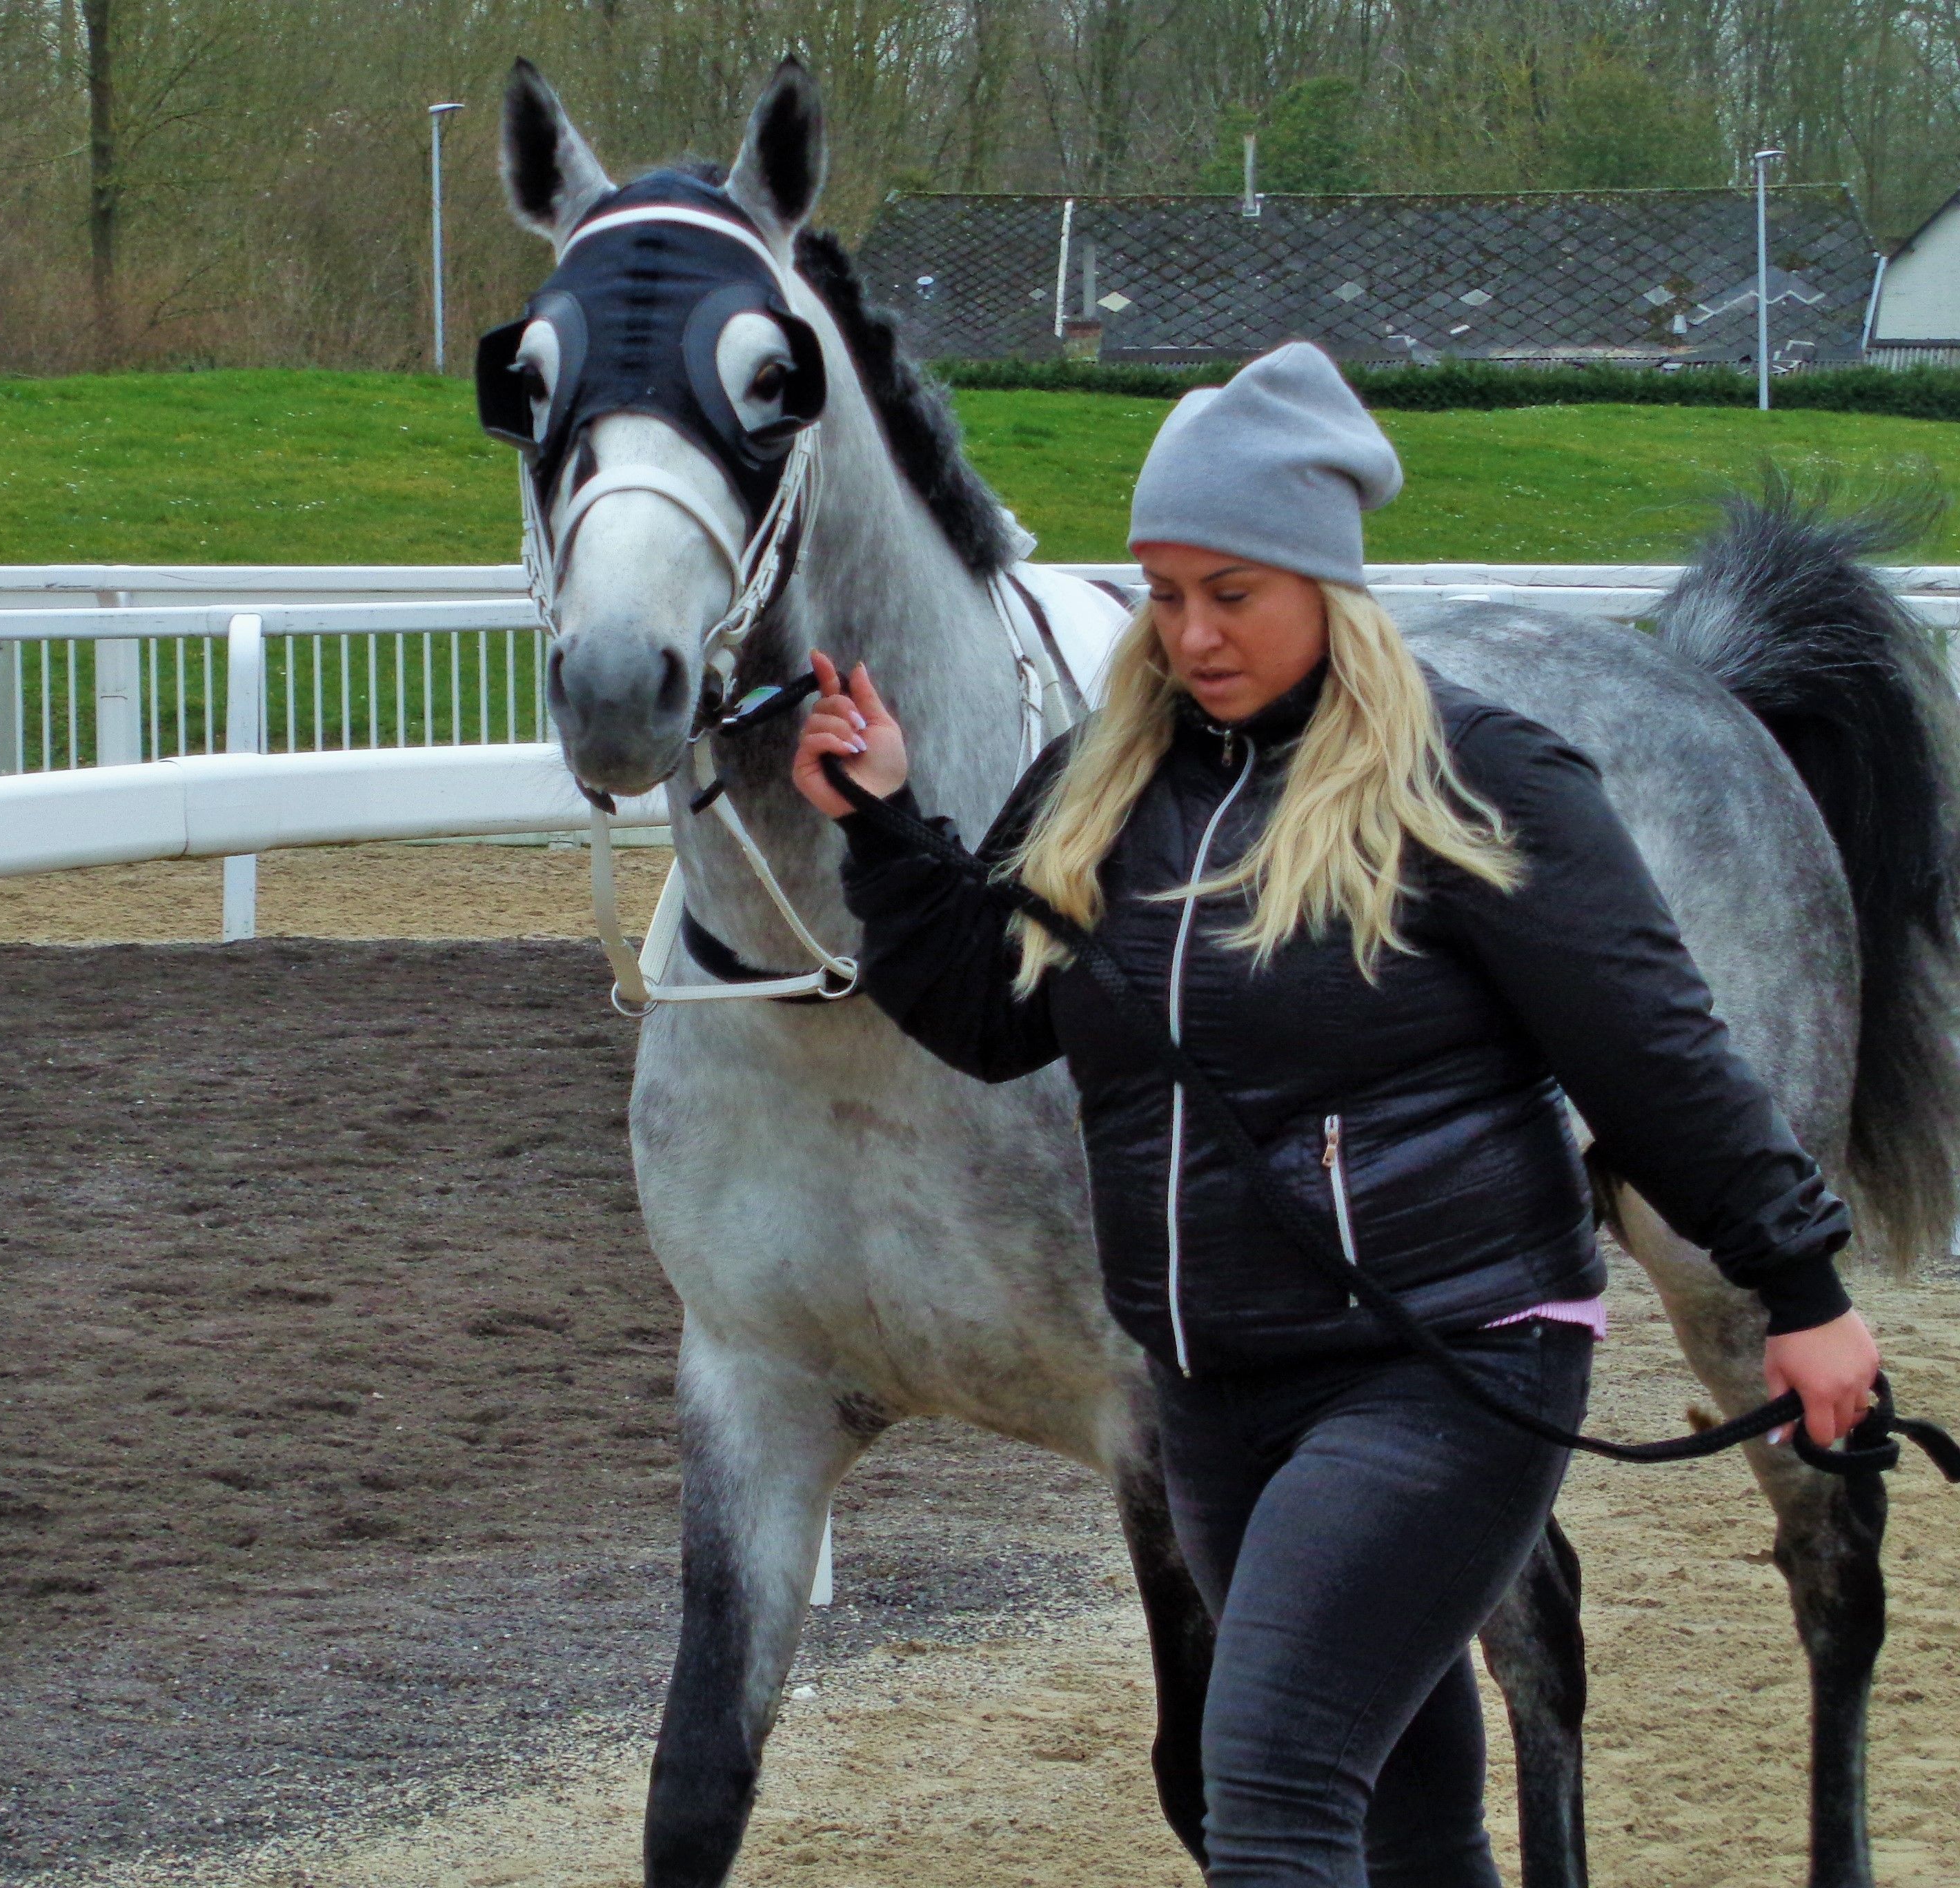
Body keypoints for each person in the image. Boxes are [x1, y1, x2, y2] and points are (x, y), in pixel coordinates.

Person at [787, 340, 1882, 1887]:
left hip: (1448, 1365)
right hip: (1215, 1387)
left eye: (1233, 593)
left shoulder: (1476, 775)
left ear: (1324, 581)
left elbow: (1656, 1052)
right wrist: (891, 831)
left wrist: (1802, 1291)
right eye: (1167, 593)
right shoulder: (1105, 779)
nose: (1192, 633)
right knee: (1409, 1824)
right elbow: (987, 1013)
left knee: (1271, 1783)